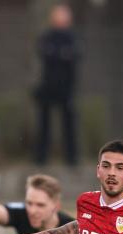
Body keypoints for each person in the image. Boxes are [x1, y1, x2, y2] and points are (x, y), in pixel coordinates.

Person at [33, 4, 80, 166]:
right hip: (48, 86)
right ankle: (41, 157)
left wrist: (59, 54)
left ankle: (72, 158)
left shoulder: (72, 38)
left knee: (69, 124)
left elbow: (74, 55)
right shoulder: (47, 37)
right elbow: (45, 53)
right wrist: (61, 54)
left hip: (67, 87)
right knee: (44, 124)